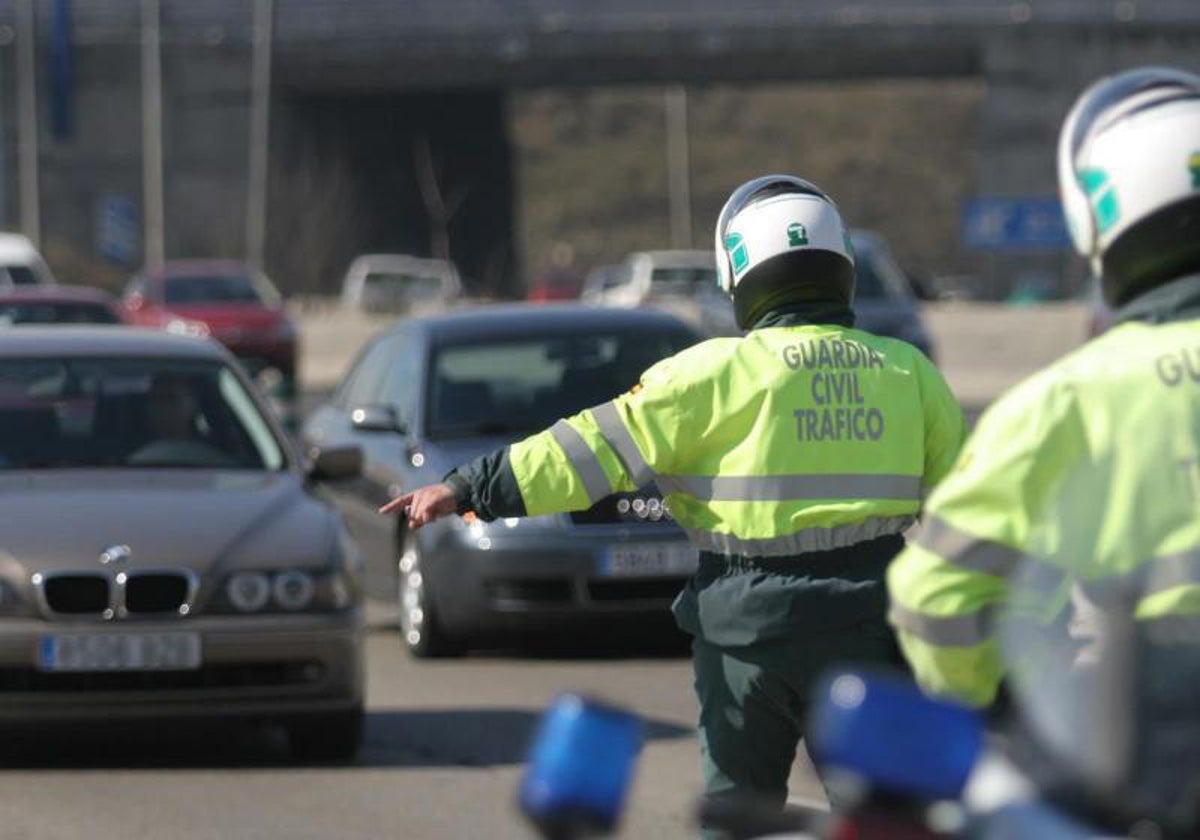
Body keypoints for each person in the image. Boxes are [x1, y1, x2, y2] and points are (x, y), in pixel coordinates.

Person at [381, 175, 966, 827]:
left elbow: (584, 452)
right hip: (869, 625)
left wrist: (469, 486)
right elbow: (972, 511)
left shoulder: (707, 373)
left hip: (746, 633)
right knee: (885, 819)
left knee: (736, 812)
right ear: (842, 269)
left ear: (740, 275)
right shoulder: (907, 371)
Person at [888, 67, 1200, 708]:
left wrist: (1007, 704)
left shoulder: (1065, 403)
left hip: (1150, 758)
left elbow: (935, 596)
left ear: (1095, 218)